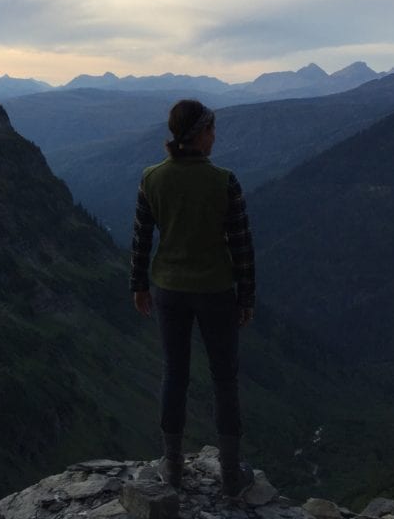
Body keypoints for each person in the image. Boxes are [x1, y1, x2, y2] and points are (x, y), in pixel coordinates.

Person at [129, 99, 256, 497]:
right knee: (224, 379)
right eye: (211, 130)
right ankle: (232, 475)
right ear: (199, 134)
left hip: (169, 288)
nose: (214, 137)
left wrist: (139, 285)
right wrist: (246, 296)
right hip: (216, 290)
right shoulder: (225, 181)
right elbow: (241, 244)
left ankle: (173, 471)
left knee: (175, 374)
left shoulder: (151, 178)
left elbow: (141, 239)